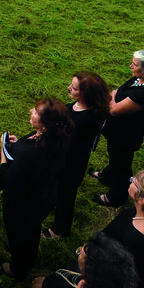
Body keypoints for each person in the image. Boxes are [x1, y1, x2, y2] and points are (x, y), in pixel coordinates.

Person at [0, 98, 73, 278]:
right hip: (43, 197)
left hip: (22, 203)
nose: (30, 111)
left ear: (46, 125)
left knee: (19, 232)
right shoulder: (55, 139)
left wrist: (3, 154)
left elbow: (8, 180)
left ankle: (17, 268)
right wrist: (17, 145)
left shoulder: (31, 154)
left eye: (36, 112)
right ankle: (28, 256)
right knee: (31, 230)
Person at [91, 48, 144, 207]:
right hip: (117, 131)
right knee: (114, 157)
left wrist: (113, 98)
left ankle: (116, 196)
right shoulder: (142, 78)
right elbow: (118, 91)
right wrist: (115, 96)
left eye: (135, 64)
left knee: (122, 165)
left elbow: (114, 110)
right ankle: (107, 176)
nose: (131, 66)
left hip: (125, 136)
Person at [45, 73, 111, 239]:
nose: (69, 88)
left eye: (74, 88)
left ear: (86, 94)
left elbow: (65, 137)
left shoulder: (88, 120)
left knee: (66, 193)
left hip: (71, 161)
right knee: (57, 187)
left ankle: (60, 229)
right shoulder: (77, 107)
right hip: (63, 156)